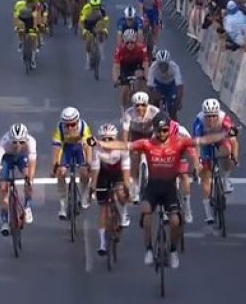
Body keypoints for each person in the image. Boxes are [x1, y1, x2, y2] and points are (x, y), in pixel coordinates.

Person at [94, 112, 228, 268]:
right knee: (146, 214)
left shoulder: (179, 142)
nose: (162, 134)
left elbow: (203, 140)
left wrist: (224, 134)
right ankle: (149, 249)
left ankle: (172, 250)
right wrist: (101, 143)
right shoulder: (147, 144)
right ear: (155, 130)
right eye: (159, 131)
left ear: (168, 129)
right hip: (152, 188)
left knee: (175, 221)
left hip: (169, 189)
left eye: (165, 130)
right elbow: (124, 145)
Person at [192, 98, 238, 224]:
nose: (211, 119)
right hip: (204, 142)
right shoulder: (199, 122)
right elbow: (196, 145)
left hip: (220, 139)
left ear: (218, 114)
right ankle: (208, 213)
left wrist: (233, 157)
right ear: (204, 115)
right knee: (205, 176)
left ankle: (226, 180)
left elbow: (233, 137)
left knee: (227, 151)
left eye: (213, 116)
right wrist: (198, 162)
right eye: (208, 116)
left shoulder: (224, 118)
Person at [89, 123, 132, 255]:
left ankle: (123, 214)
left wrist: (127, 189)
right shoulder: (97, 150)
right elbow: (95, 171)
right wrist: (93, 187)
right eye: (104, 139)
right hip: (103, 174)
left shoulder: (122, 149)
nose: (107, 142)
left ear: (116, 138)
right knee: (103, 208)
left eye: (110, 139)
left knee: (120, 192)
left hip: (118, 173)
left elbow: (126, 171)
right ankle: (102, 244)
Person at [0, 123, 37, 235]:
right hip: (7, 157)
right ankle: (5, 222)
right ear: (10, 139)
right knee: (3, 188)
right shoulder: (3, 142)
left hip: (22, 156)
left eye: (21, 142)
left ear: (26, 139)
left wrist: (29, 180)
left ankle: (27, 207)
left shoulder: (31, 142)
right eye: (14, 142)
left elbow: (32, 163)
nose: (18, 145)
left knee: (29, 179)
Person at [52, 106, 94, 219]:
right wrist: (54, 166)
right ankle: (63, 204)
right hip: (66, 148)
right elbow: (56, 148)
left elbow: (88, 146)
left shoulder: (84, 126)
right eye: (67, 125)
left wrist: (89, 162)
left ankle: (84, 196)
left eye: (73, 124)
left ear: (77, 121)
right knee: (61, 172)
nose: (70, 128)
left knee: (84, 171)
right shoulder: (59, 128)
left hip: (80, 147)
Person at [121, 91, 160, 203]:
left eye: (143, 105)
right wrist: (126, 146)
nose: (140, 108)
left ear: (147, 104)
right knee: (134, 158)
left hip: (151, 134)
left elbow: (160, 130)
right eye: (137, 106)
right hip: (136, 134)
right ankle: (135, 188)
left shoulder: (155, 111)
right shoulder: (128, 113)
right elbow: (125, 131)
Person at [113, 29, 149, 112]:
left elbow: (145, 64)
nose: (129, 45)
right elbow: (116, 66)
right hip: (125, 67)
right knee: (124, 88)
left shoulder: (141, 48)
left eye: (132, 42)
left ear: (135, 42)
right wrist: (116, 79)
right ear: (124, 42)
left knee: (141, 81)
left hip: (137, 65)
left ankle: (143, 103)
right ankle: (123, 109)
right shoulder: (119, 49)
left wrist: (146, 77)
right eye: (127, 43)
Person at [147, 49, 183, 120]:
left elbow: (179, 86)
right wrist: (152, 98)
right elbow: (149, 86)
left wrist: (179, 100)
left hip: (171, 85)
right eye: (161, 65)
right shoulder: (153, 68)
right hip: (158, 84)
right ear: (157, 64)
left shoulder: (174, 67)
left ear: (168, 63)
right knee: (155, 105)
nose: (163, 67)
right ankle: (155, 119)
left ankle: (174, 121)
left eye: (165, 65)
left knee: (173, 109)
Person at [79, 0, 109, 67]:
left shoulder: (102, 9)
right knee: (88, 39)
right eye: (94, 7)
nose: (95, 9)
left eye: (97, 7)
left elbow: (105, 20)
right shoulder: (86, 8)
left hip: (98, 22)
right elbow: (81, 21)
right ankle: (88, 59)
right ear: (90, 5)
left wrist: (105, 29)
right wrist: (84, 31)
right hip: (87, 23)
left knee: (101, 33)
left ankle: (101, 50)